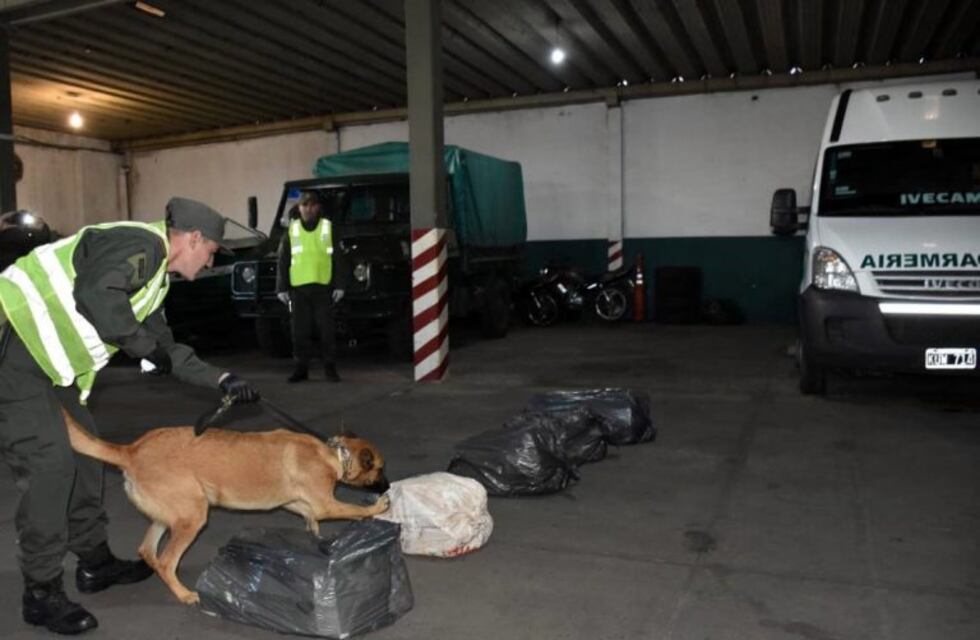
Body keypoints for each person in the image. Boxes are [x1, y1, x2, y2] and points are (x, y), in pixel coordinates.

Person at [0, 197, 260, 635]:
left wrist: (223, 379)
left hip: (51, 366)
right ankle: (41, 591)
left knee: (87, 460)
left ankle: (94, 562)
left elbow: (166, 348)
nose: (210, 261)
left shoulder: (155, 282)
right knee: (50, 467)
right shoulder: (141, 245)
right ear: (193, 238)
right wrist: (146, 348)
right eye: (211, 251)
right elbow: (95, 294)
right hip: (15, 346)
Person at [276, 190, 346, 383]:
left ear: (318, 207)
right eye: (304, 205)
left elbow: (338, 258)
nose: (308, 208)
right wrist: (281, 288)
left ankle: (330, 368)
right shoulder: (292, 230)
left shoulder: (328, 228)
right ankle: (301, 369)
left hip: (323, 288)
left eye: (312, 205)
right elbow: (283, 260)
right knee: (299, 332)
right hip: (298, 290)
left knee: (326, 331)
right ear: (299, 208)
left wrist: (340, 285)